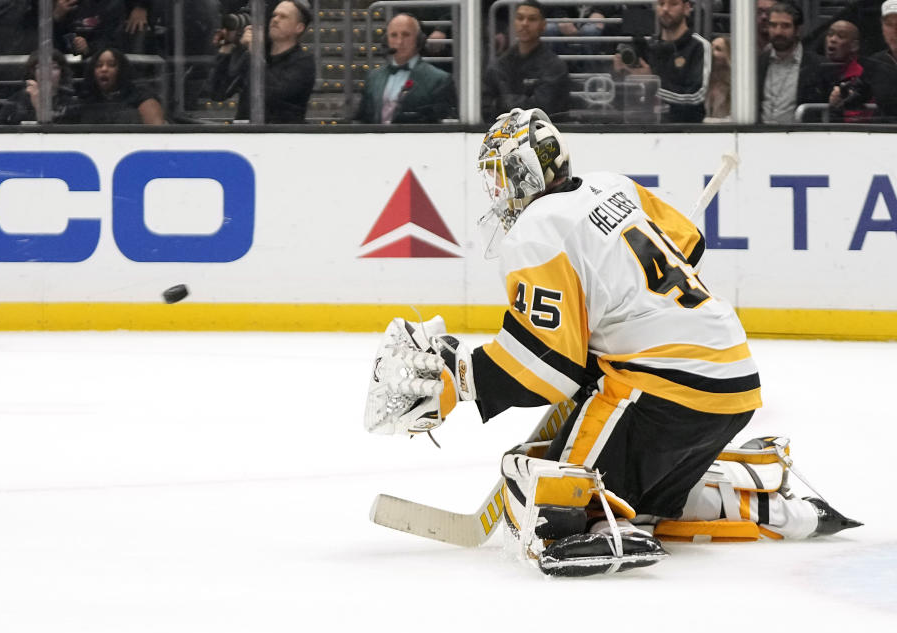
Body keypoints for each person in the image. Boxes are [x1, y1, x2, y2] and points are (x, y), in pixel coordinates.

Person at [364, 108, 861, 577]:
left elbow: (546, 367)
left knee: (543, 492)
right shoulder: (612, 185)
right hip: (734, 383)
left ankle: (605, 525)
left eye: (498, 175)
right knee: (655, 496)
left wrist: (461, 377)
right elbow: (687, 244)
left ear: (523, 173)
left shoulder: (538, 230)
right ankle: (783, 510)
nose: (495, 191)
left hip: (662, 389)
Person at [209, 0, 316, 123]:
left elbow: (273, 94)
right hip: (246, 135)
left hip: (282, 136)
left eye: (283, 17)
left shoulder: (303, 62)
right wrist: (227, 46)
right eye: (274, 15)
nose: (275, 20)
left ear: (299, 27)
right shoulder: (252, 56)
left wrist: (255, 52)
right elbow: (218, 93)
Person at [613, 0, 710, 123]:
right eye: (661, 3)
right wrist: (622, 75)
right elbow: (624, 104)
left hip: (686, 132)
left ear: (686, 8)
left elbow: (695, 97)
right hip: (648, 129)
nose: (665, 9)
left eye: (673, 4)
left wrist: (652, 83)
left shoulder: (699, 46)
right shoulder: (650, 47)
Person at [355, 12, 457, 124]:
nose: (399, 42)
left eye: (406, 35)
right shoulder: (373, 77)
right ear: (386, 41)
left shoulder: (439, 80)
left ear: (419, 40)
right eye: (394, 35)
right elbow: (362, 119)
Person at [481, 1, 569, 121]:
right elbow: (486, 105)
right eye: (520, 18)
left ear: (543, 25)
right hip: (502, 134)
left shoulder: (554, 66)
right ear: (514, 22)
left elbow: (541, 109)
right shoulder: (500, 64)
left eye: (532, 19)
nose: (524, 23)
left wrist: (502, 103)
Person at [758, 2, 826, 123]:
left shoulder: (817, 66)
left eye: (785, 26)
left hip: (800, 138)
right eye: (773, 25)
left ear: (798, 30)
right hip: (759, 136)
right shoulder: (759, 63)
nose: (778, 32)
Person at [72, 46, 165, 124]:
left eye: (111, 65)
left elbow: (159, 137)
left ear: (121, 70)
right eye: (98, 65)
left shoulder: (141, 97)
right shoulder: (86, 99)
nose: (104, 69)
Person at [0, 50, 78, 124]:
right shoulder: (18, 99)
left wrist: (39, 106)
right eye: (41, 67)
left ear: (62, 73)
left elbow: (60, 135)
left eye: (54, 68)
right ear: (32, 72)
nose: (47, 72)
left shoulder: (70, 102)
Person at [821, 20, 873, 122]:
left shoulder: (862, 77)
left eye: (840, 36)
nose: (832, 39)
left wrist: (839, 104)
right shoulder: (814, 70)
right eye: (830, 34)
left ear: (854, 46)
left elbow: (854, 120)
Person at [863, 0, 897, 122]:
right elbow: (857, 94)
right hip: (884, 135)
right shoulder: (876, 62)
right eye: (889, 24)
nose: (895, 30)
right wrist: (841, 95)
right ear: (882, 28)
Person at [704, 35, 731, 121]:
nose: (712, 52)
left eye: (718, 49)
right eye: (711, 48)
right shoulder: (705, 82)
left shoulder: (735, 85)